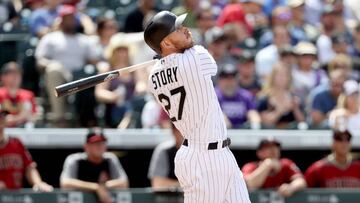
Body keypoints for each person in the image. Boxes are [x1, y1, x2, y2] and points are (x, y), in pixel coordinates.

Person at [144, 11, 250, 202]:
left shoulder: (153, 77)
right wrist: (169, 58)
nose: (185, 30)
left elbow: (169, 66)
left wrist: (164, 60)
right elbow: (202, 60)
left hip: (217, 152)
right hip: (203, 156)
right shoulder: (196, 57)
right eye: (177, 29)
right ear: (166, 43)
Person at [35, 5, 99, 126]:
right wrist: (53, 64)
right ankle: (59, 117)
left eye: (72, 18)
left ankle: (87, 120)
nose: (70, 21)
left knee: (91, 74)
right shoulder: (50, 38)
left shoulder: (84, 40)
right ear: (61, 20)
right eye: (67, 18)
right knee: (54, 70)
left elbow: (95, 61)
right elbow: (40, 61)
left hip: (79, 77)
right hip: (60, 76)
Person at [60, 128, 129, 203]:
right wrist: (96, 187)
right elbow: (65, 184)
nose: (99, 146)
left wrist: (103, 187)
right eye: (95, 143)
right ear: (86, 147)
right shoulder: (75, 160)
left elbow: (124, 183)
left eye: (102, 143)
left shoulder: (110, 159)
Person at [0, 108, 53, 191]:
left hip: (16, 196)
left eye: (3, 116)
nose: (1, 119)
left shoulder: (16, 143)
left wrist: (38, 183)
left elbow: (29, 167)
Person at [241, 138, 306, 197]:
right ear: (259, 152)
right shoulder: (250, 166)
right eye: (268, 147)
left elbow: (301, 181)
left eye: (276, 146)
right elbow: (250, 184)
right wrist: (267, 164)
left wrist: (291, 187)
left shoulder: (286, 164)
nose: (273, 149)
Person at [257, 62, 306, 129]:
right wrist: (280, 111)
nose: (282, 78)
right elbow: (265, 122)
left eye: (285, 75)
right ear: (273, 77)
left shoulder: (293, 97)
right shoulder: (264, 98)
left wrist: (296, 109)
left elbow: (302, 122)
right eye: (279, 75)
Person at [215, 63, 261, 129]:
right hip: (219, 133)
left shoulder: (245, 95)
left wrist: (255, 124)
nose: (229, 82)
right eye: (225, 78)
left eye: (232, 78)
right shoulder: (213, 96)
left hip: (242, 133)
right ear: (219, 80)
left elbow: (252, 112)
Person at [0, 62, 37, 127]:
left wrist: (14, 119)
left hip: (23, 133)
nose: (16, 76)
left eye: (18, 73)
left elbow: (33, 117)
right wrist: (20, 117)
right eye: (11, 73)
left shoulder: (28, 95)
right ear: (3, 77)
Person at [148, 123, 182, 189]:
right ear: (174, 131)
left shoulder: (200, 152)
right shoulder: (165, 151)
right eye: (181, 131)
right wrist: (186, 185)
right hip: (171, 198)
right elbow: (158, 184)